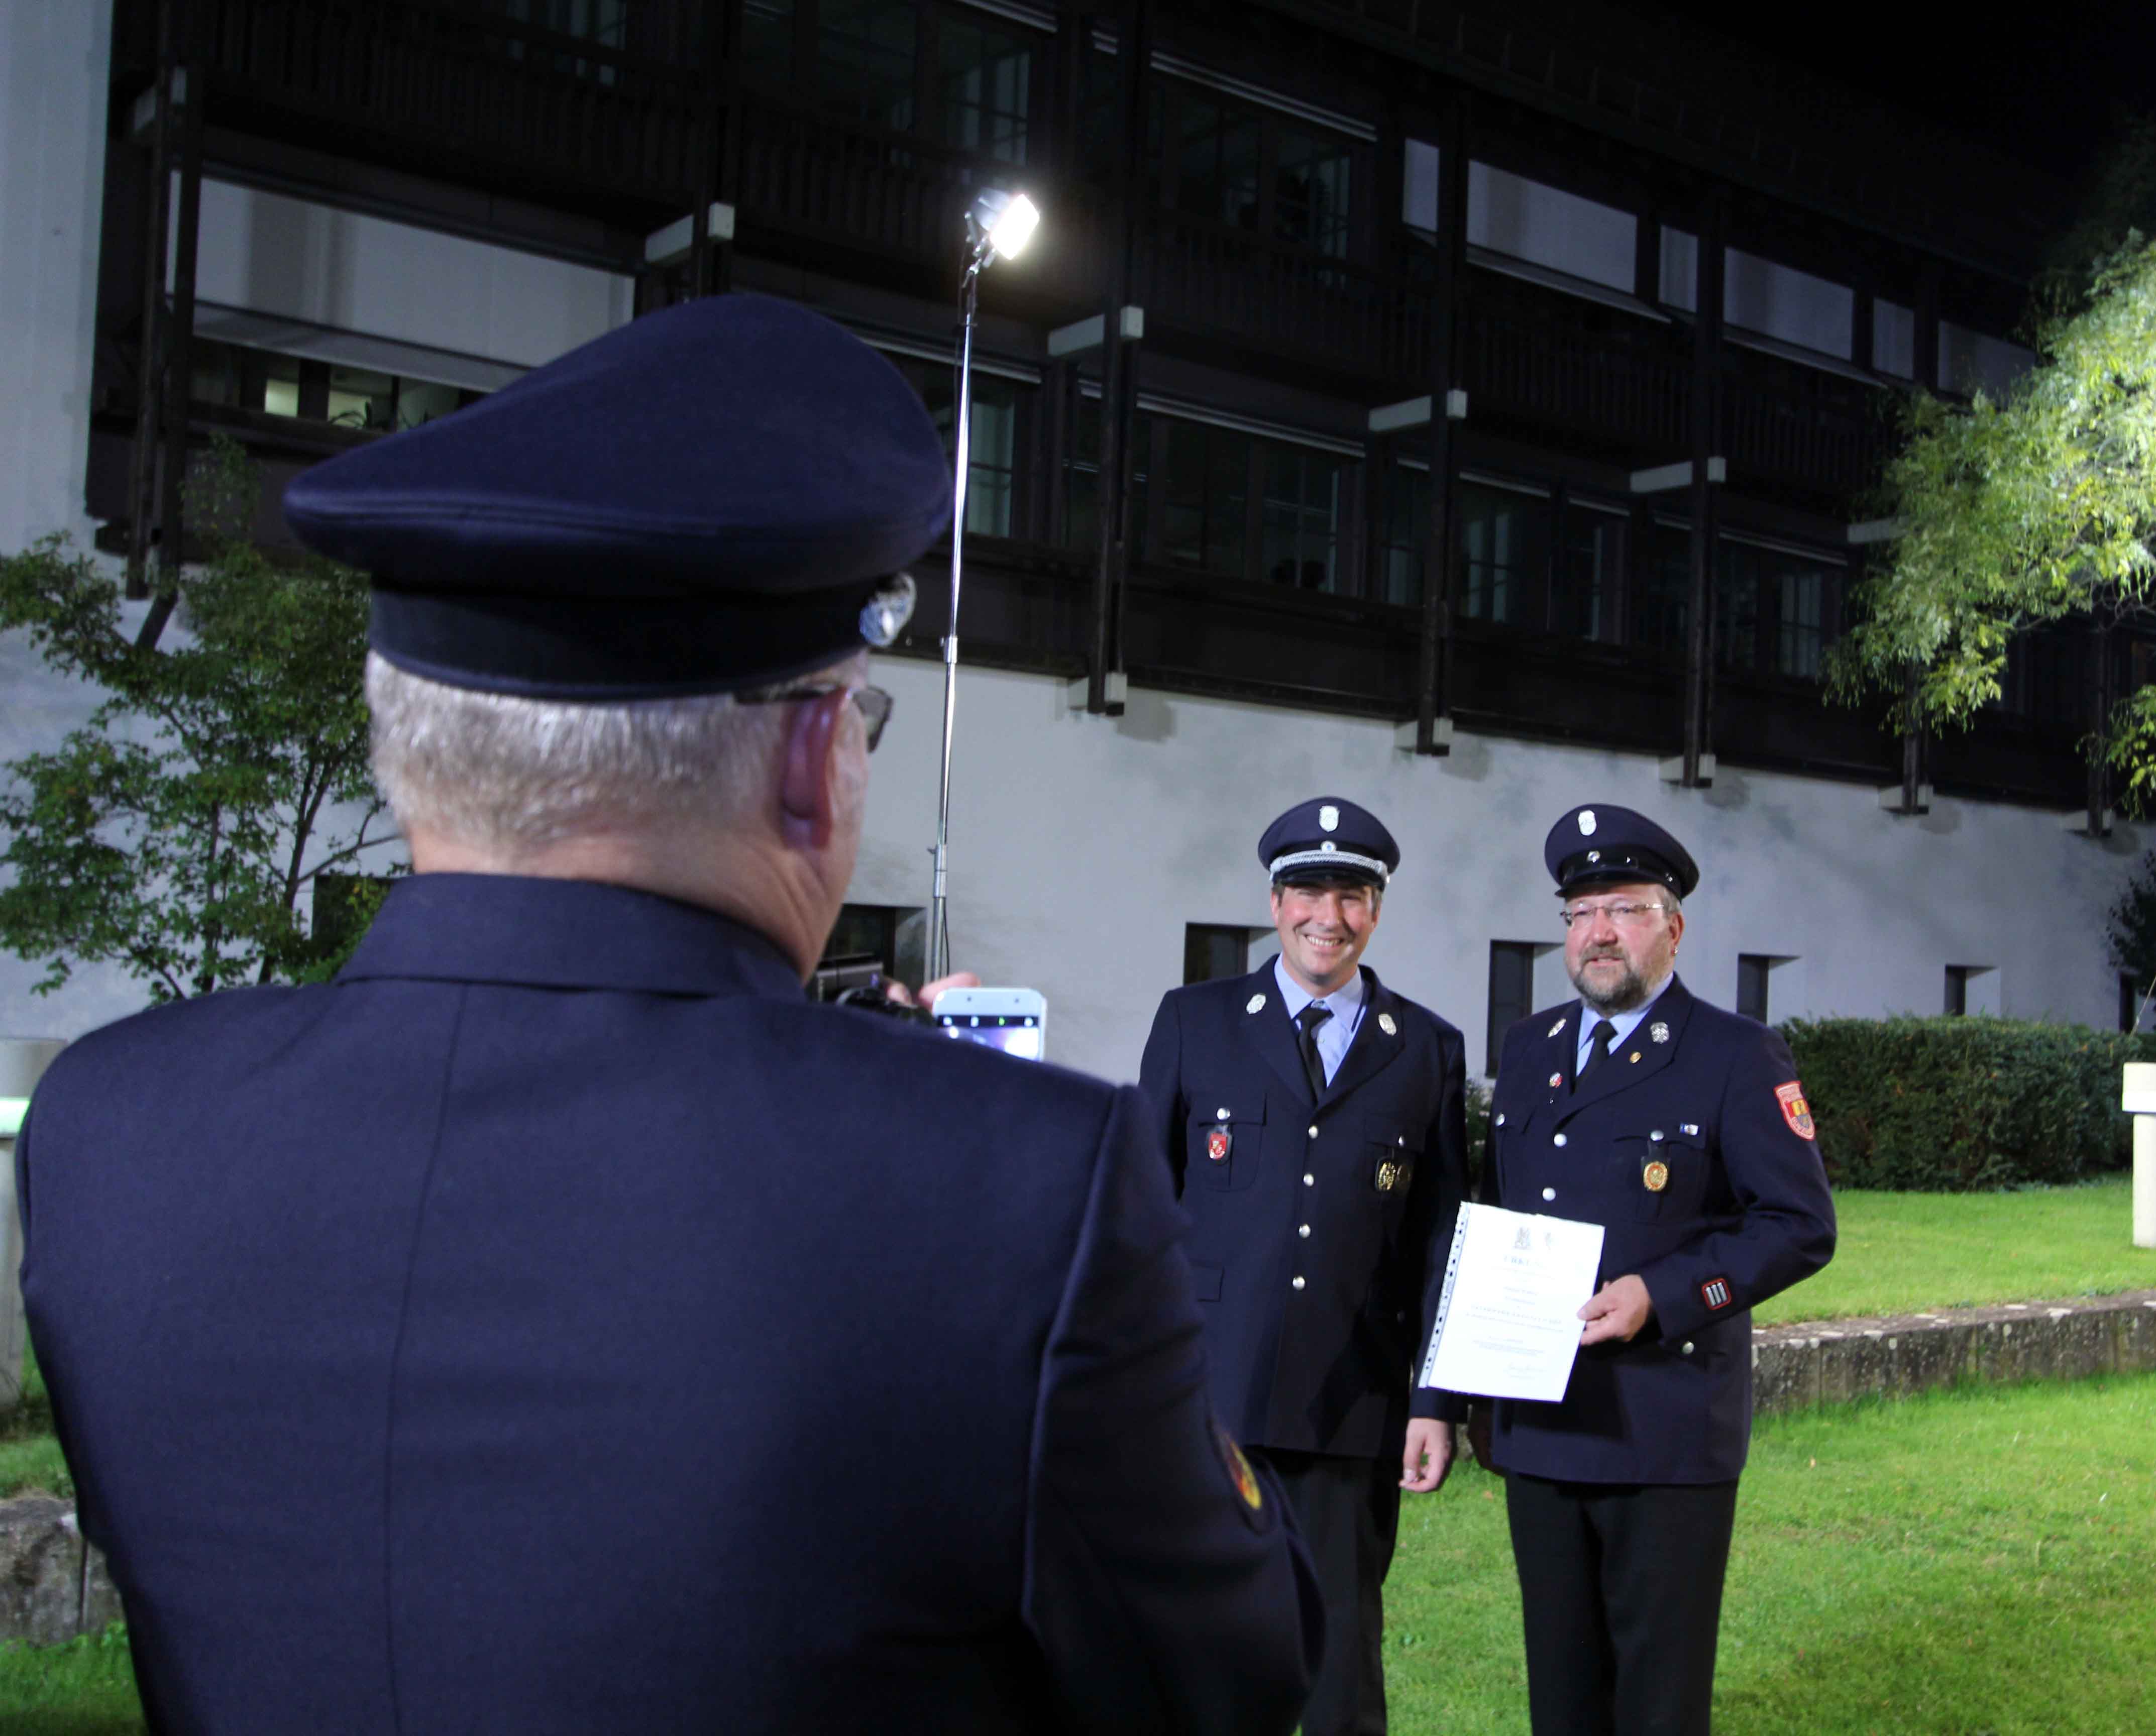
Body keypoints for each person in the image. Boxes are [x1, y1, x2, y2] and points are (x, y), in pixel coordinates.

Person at [15, 294, 1320, 1734]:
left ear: (407, 748)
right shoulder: (1020, 1189)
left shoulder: (108, 1129)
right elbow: (1234, 1675)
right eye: (865, 720)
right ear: (815, 760)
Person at [1476, 803, 1836, 1736]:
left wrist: (1663, 1295)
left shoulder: (1734, 1055)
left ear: (1673, 928)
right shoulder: (1528, 1051)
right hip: (1540, 1421)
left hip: (1663, 1428)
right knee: (1562, 1697)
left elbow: (1800, 1225)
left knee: (1658, 1705)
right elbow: (1495, 1218)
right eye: (1581, 912)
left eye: (1625, 909)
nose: (1599, 932)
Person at [1136, 798, 1467, 1736]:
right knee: (1195, 1648)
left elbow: (1443, 1241)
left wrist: (1436, 1401)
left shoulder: (1427, 1050)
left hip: (1351, 1401)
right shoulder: (1195, 1022)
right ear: (1275, 904)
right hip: (1210, 1400)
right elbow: (1140, 1212)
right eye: (1309, 892)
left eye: (1352, 895)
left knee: (1336, 1666)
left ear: (1378, 909)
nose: (1330, 915)